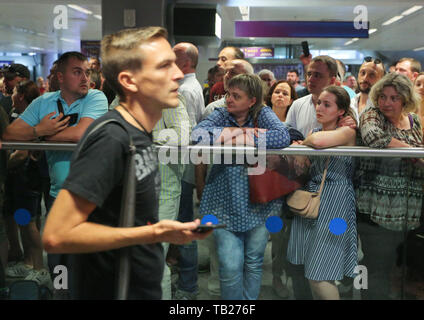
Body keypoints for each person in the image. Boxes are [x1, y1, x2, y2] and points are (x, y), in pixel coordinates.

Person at [42, 26, 211, 300]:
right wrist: (151, 233)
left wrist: (155, 233)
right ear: (129, 81)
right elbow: (57, 234)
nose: (179, 74)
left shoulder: (139, 135)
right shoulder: (112, 138)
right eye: (164, 66)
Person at [2, 51, 108, 298]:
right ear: (60, 77)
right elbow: (9, 134)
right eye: (77, 72)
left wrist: (40, 135)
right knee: (59, 264)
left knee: (88, 266)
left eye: (87, 72)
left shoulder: (96, 97)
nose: (85, 78)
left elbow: (81, 134)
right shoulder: (44, 102)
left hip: (91, 198)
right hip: (57, 197)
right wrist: (39, 129)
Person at [193, 74, 290, 300]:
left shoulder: (263, 113)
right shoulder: (220, 113)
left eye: (236, 96)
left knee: (254, 262)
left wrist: (232, 138)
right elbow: (197, 135)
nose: (229, 100)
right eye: (228, 94)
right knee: (229, 265)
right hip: (222, 200)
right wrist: (246, 136)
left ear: (252, 100)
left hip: (260, 202)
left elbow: (282, 137)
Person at [356, 72, 424, 299]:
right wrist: (411, 151)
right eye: (383, 96)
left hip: (408, 212)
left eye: (393, 98)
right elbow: (374, 138)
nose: (386, 102)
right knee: (375, 268)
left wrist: (414, 155)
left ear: (405, 99)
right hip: (376, 212)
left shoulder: (414, 120)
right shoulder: (371, 115)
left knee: (401, 270)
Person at [287, 85, 358, 300]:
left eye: (327, 105)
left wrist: (303, 144)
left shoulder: (347, 131)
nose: (320, 108)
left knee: (321, 272)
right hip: (314, 197)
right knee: (312, 269)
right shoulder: (316, 131)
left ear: (341, 112)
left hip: (335, 199)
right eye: (319, 103)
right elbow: (304, 161)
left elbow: (317, 143)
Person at [3, 81, 51, 287]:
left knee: (28, 222)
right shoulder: (19, 117)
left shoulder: (28, 120)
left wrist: (4, 165)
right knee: (23, 220)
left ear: (22, 96)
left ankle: (40, 267)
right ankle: (30, 263)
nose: (11, 93)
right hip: (21, 181)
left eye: (14, 91)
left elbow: (21, 153)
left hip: (26, 180)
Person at [265, 79, 297, 298]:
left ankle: (279, 276)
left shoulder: (294, 126)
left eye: (285, 93)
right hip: (262, 186)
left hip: (287, 187)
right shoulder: (260, 121)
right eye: (277, 92)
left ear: (291, 99)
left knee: (281, 237)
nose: (280, 96)